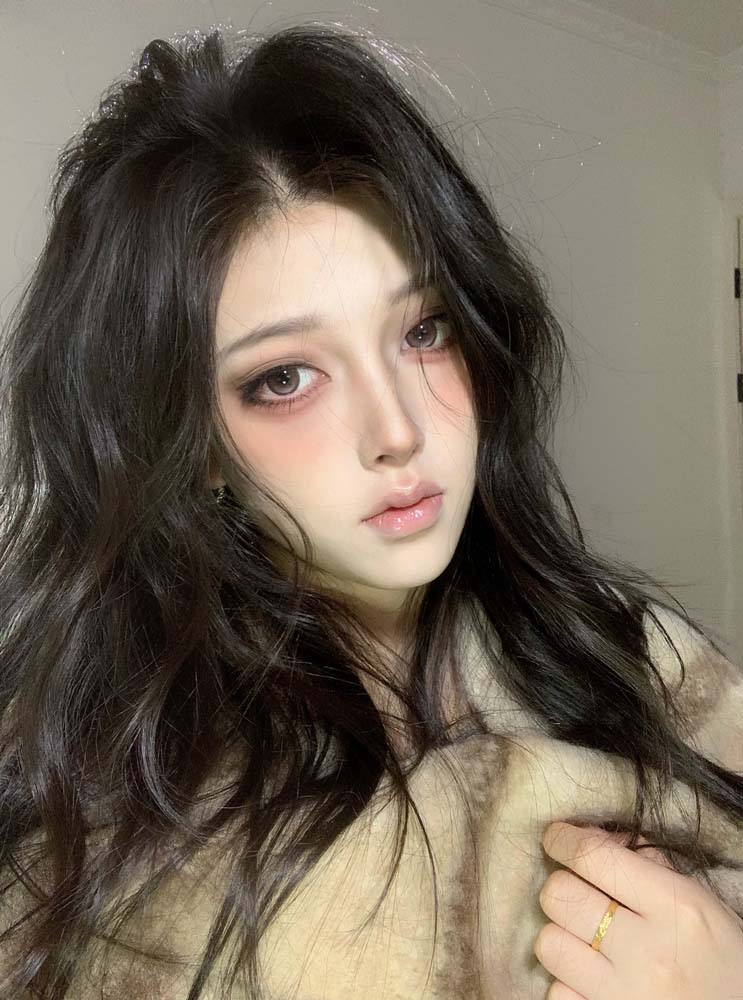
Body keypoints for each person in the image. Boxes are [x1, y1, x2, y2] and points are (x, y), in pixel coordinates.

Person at [0, 21, 741, 1000]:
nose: (397, 429)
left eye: (423, 330)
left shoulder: (635, 658)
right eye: (284, 378)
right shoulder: (109, 811)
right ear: (194, 444)